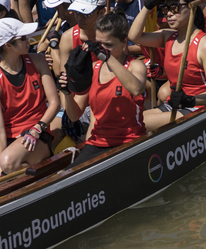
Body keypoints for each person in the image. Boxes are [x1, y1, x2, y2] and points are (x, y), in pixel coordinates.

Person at [128, 0, 206, 131]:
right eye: (165, 9)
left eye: (175, 7)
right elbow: (134, 36)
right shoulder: (168, 36)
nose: (169, 14)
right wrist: (148, 6)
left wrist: (189, 100)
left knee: (136, 123)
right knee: (131, 118)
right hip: (174, 104)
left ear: (191, 6)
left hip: (197, 107)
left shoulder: (204, 44)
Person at [58, 12, 146, 162]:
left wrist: (108, 57)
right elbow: (74, 116)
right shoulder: (93, 69)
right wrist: (67, 93)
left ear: (124, 42)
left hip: (129, 140)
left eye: (109, 45)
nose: (102, 49)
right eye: (100, 44)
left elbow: (136, 89)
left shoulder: (135, 66)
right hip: (97, 142)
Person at [0, 18, 60, 184]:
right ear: (8, 45)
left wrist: (39, 128)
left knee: (9, 162)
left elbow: (54, 103)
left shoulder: (38, 61)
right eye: (23, 38)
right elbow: (0, 131)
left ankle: (45, 183)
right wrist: (3, 170)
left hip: (37, 133)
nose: (29, 41)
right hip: (9, 138)